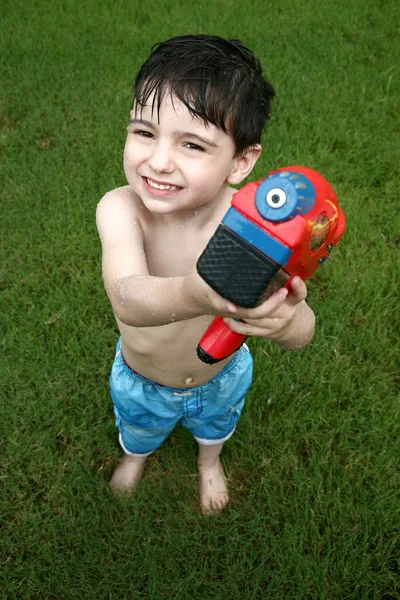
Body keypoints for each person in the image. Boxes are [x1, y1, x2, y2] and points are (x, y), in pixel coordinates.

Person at [96, 34, 315, 513]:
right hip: (143, 378)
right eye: (144, 132)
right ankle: (137, 454)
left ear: (241, 161)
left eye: (192, 144)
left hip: (221, 375)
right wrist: (198, 293)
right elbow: (128, 297)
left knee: (216, 426)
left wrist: (285, 323)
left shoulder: (253, 230)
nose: (157, 161)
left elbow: (303, 330)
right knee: (138, 427)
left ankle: (208, 463)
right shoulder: (121, 209)